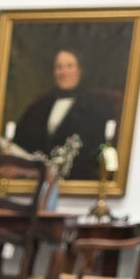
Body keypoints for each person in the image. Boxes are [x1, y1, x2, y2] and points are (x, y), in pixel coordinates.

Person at [11, 49, 113, 182]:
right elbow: (20, 142)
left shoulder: (95, 108)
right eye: (59, 67)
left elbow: (93, 151)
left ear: (80, 71)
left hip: (75, 183)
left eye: (69, 66)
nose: (63, 72)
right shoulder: (39, 105)